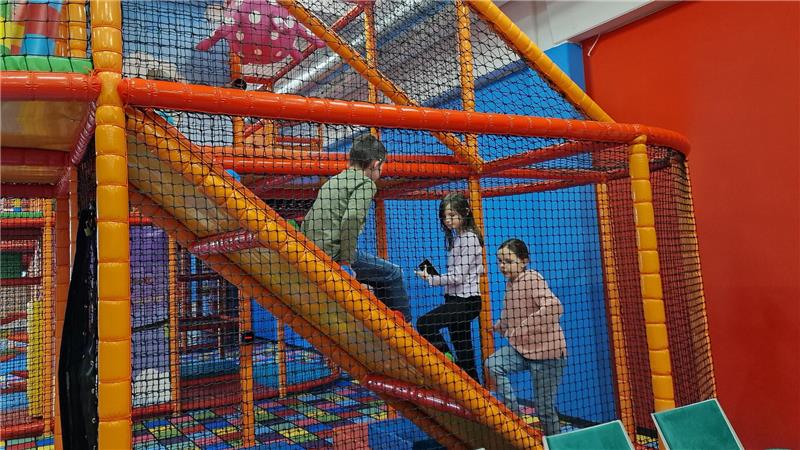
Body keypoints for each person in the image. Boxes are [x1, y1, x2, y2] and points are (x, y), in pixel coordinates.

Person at [301, 134, 411, 322]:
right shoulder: (365, 183)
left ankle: (384, 318)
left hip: (314, 252)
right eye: (382, 168)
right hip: (334, 254)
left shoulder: (332, 182)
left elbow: (309, 219)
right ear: (375, 165)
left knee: (376, 278)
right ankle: (405, 328)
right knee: (393, 274)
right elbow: (351, 219)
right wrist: (346, 261)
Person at [486, 238, 567, 435]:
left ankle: (555, 445)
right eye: (500, 261)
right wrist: (499, 327)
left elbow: (555, 307)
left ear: (524, 261)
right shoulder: (510, 284)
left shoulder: (532, 279)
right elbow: (510, 314)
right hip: (523, 350)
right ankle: (514, 414)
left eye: (508, 261)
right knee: (493, 364)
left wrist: (522, 329)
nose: (503, 266)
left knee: (544, 410)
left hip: (548, 355)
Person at [415, 193, 483, 381]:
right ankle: (475, 388)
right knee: (464, 348)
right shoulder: (459, 239)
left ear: (465, 212)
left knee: (425, 323)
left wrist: (432, 279)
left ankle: (450, 364)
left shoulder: (469, 238)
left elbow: (459, 276)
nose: (448, 220)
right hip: (456, 299)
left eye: (452, 215)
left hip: (466, 302)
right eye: (445, 217)